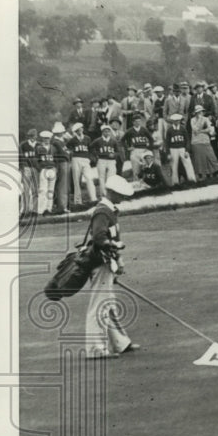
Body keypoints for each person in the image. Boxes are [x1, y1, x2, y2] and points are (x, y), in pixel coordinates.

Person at [84, 174, 141, 359]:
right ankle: (96, 349)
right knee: (100, 305)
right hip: (99, 263)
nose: (123, 198)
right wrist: (114, 247)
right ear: (112, 192)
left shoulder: (110, 211)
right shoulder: (102, 211)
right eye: (120, 194)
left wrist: (118, 261)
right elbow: (99, 237)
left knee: (108, 305)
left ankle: (120, 343)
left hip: (107, 263)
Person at [190, 105, 218, 180]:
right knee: (199, 159)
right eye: (198, 112)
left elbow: (210, 129)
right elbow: (195, 130)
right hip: (196, 142)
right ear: (196, 113)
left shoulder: (206, 119)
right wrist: (200, 122)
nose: (200, 113)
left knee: (212, 156)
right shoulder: (192, 120)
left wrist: (201, 131)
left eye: (201, 111)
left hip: (205, 141)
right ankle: (202, 176)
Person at [68, 123, 97, 206]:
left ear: (82, 129)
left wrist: (91, 158)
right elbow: (67, 148)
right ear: (75, 132)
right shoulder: (72, 140)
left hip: (85, 159)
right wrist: (71, 153)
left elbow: (91, 148)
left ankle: (93, 198)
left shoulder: (87, 138)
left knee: (89, 178)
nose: (79, 131)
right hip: (76, 159)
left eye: (80, 129)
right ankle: (77, 201)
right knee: (76, 180)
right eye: (77, 131)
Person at [164, 113, 196, 185]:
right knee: (174, 165)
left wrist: (187, 150)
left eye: (178, 120)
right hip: (173, 149)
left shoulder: (182, 129)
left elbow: (187, 140)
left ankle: (192, 179)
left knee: (188, 163)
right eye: (175, 121)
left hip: (182, 148)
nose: (176, 122)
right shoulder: (169, 130)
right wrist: (168, 153)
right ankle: (175, 182)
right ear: (172, 121)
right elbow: (167, 143)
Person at [34, 130, 57, 215]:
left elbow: (56, 159)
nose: (46, 140)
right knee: (43, 190)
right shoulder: (38, 148)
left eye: (48, 139)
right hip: (44, 169)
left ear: (50, 139)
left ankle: (49, 208)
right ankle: (41, 210)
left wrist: (55, 168)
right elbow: (36, 160)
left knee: (51, 190)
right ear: (42, 139)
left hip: (52, 169)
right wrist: (39, 168)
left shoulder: (53, 148)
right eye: (45, 139)